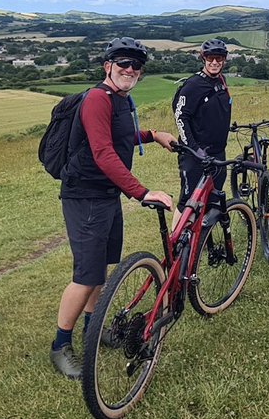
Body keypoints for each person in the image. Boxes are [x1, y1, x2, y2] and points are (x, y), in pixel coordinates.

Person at [49, 37, 176, 380]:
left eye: (136, 66)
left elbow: (119, 137)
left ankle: (93, 329)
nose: (130, 70)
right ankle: (60, 345)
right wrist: (142, 192)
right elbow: (103, 152)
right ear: (108, 66)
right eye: (123, 63)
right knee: (85, 276)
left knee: (101, 269)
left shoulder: (120, 100)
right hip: (85, 196)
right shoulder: (96, 99)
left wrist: (152, 135)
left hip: (106, 195)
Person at [171, 38, 232, 210]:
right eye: (210, 58)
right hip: (195, 155)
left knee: (213, 199)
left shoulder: (221, 80)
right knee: (187, 204)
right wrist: (194, 149)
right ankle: (178, 230)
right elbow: (181, 117)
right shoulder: (193, 85)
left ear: (224, 60)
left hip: (217, 153)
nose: (214, 62)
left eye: (219, 58)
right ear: (203, 58)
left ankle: (205, 229)